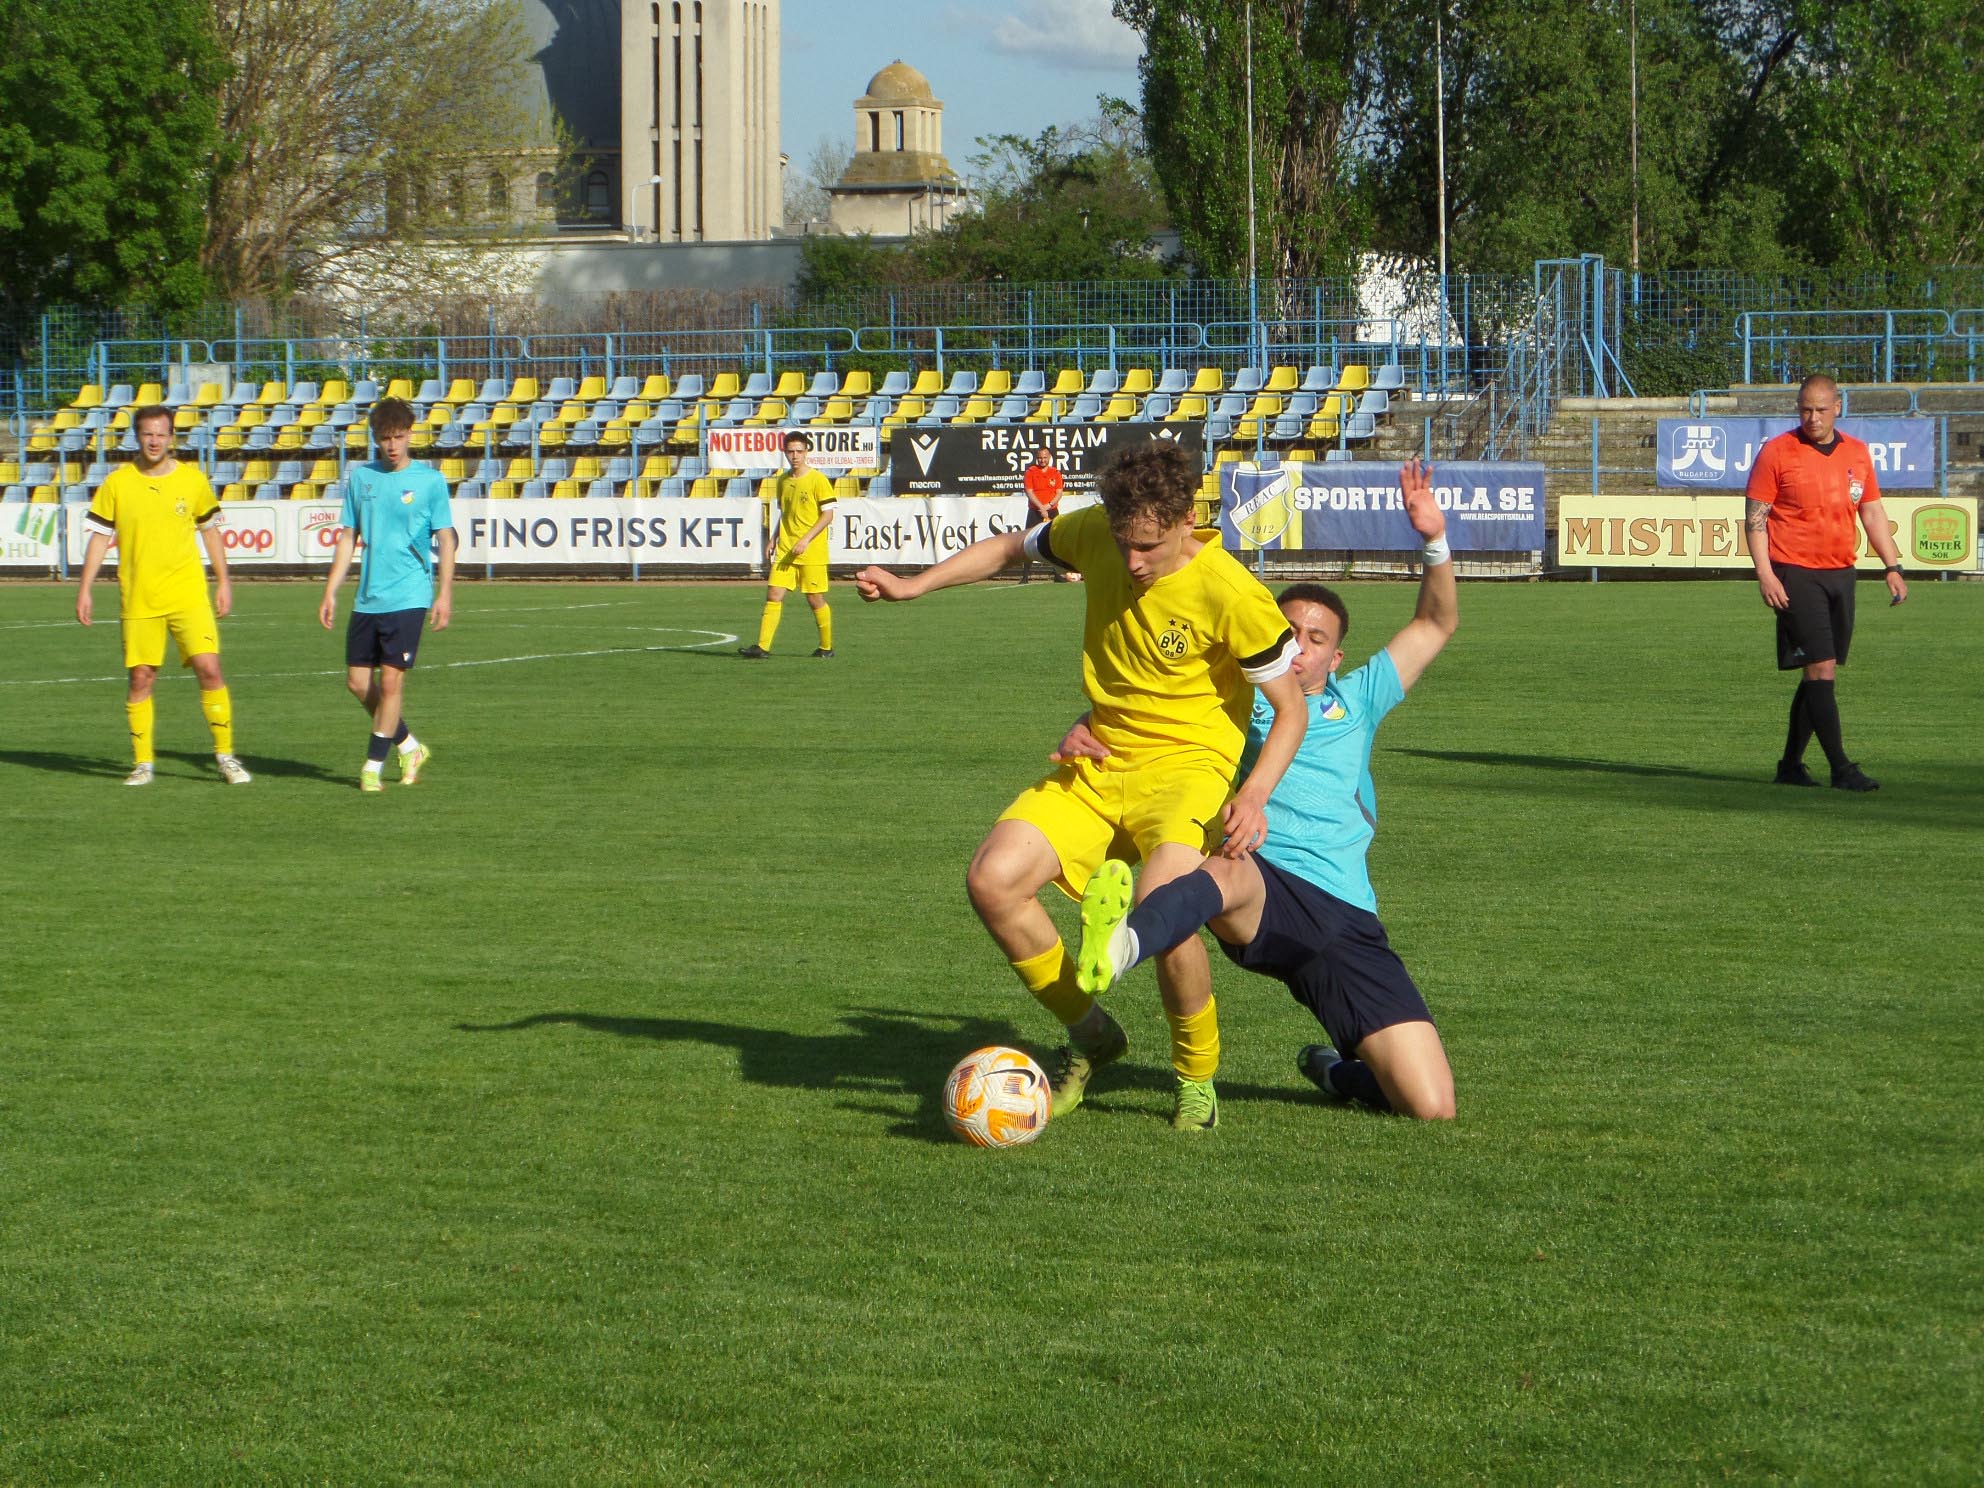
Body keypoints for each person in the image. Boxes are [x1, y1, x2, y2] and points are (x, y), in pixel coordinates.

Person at [855, 440, 1307, 1132]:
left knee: (1165, 913)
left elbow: (1291, 709)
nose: (1132, 561)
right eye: (1123, 543)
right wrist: (913, 586)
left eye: (1148, 546)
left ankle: (1196, 1078)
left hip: (1187, 775)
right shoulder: (1096, 532)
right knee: (993, 880)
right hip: (1099, 762)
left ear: (1187, 519)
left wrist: (1253, 795)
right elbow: (1009, 548)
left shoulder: (1233, 592)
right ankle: (1092, 1034)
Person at [1071, 458, 1457, 1119]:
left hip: (1345, 917)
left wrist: (1434, 541)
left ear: (1335, 656)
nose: (1299, 647)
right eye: (1289, 633)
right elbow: (1148, 710)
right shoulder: (1229, 696)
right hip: (1261, 885)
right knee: (1216, 869)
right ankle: (1120, 946)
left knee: (1431, 1106)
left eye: (1316, 639)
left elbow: (1434, 625)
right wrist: (1087, 724)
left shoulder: (1360, 699)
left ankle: (1338, 1072)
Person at [1744, 374, 1907, 792]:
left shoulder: (1856, 452)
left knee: (1816, 672)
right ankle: (1842, 769)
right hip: (1794, 572)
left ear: (1838, 407)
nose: (1812, 417)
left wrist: (1892, 566)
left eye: (1820, 409)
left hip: (1841, 572)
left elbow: (1871, 511)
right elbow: (1756, 518)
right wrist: (1765, 573)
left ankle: (1790, 767)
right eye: (1805, 409)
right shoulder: (1777, 452)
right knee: (1822, 666)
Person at [74, 404, 251, 786]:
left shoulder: (192, 480)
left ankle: (225, 756)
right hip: (140, 598)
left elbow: (210, 532)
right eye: (147, 434)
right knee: (141, 678)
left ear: (172, 437)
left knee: (210, 669)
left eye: (161, 434)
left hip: (188, 595)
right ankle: (143, 764)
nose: (154, 441)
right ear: (137, 437)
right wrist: (85, 588)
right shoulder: (117, 484)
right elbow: (100, 538)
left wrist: (224, 581)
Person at [317, 397, 455, 792]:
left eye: (398, 437)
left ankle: (372, 766)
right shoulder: (362, 479)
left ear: (410, 434)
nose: (392, 445)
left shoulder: (430, 482)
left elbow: (446, 539)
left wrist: (444, 593)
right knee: (357, 683)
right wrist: (330, 591)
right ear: (376, 438)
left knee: (391, 683)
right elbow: (348, 537)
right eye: (384, 438)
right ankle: (409, 746)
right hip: (368, 596)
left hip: (410, 595)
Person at [739, 431, 836, 658]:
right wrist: (774, 538)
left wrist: (806, 539)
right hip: (786, 550)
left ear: (806, 452)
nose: (795, 456)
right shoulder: (782, 480)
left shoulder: (818, 480)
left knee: (814, 598)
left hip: (811, 551)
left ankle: (826, 647)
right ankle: (762, 647)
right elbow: (785, 513)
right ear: (785, 453)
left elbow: (828, 515)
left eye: (799, 451)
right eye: (791, 451)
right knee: (774, 594)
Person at [1019, 445, 1074, 584]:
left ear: (1049, 457)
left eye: (1044, 457)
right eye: (1039, 458)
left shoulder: (1055, 473)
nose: (1042, 460)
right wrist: (1041, 508)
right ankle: (1025, 576)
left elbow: (1059, 493)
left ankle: (1057, 574)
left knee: (1054, 541)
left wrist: (1048, 506)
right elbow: (1029, 492)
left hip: (1052, 510)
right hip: (1035, 511)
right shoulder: (1030, 472)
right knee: (1028, 540)